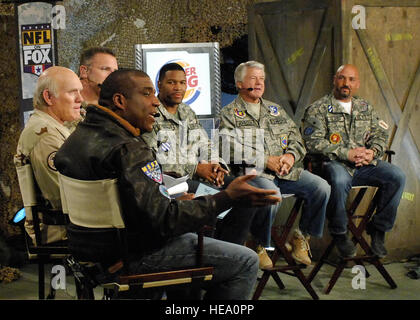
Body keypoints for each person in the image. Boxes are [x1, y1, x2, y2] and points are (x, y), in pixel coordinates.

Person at [54, 69, 281, 300]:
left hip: (90, 254)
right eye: (146, 94)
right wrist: (227, 197)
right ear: (120, 101)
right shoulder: (129, 149)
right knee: (245, 260)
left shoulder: (76, 138)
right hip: (133, 255)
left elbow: (129, 204)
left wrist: (171, 200)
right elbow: (165, 221)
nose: (155, 103)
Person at [142, 63, 272, 269]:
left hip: (200, 177)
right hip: (172, 183)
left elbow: (205, 144)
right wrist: (196, 168)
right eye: (171, 82)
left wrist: (215, 165)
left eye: (182, 83)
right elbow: (158, 160)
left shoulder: (187, 111)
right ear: (159, 84)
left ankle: (229, 257)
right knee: (213, 200)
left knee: (246, 195)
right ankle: (210, 261)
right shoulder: (151, 114)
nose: (178, 87)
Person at [218, 61, 330, 266]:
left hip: (286, 172)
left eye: (262, 78)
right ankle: (257, 243)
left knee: (321, 187)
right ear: (239, 83)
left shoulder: (275, 110)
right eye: (253, 78)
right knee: (272, 194)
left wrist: (291, 157)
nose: (259, 82)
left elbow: (296, 137)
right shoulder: (228, 114)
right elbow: (228, 148)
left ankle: (302, 237)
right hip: (254, 175)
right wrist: (264, 161)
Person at [302, 64, 406, 258]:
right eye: (342, 78)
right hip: (332, 165)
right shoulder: (318, 109)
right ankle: (340, 232)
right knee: (339, 179)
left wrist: (372, 152)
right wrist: (346, 153)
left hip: (363, 166)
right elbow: (312, 142)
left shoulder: (364, 107)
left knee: (397, 176)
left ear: (357, 84)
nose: (346, 83)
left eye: (351, 80)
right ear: (335, 80)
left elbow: (379, 134)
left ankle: (378, 228)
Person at [14, 66, 83, 245]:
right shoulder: (45, 136)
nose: (80, 99)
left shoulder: (54, 127)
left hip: (68, 225)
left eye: (80, 92)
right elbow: (62, 197)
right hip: (60, 232)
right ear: (48, 97)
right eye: (72, 92)